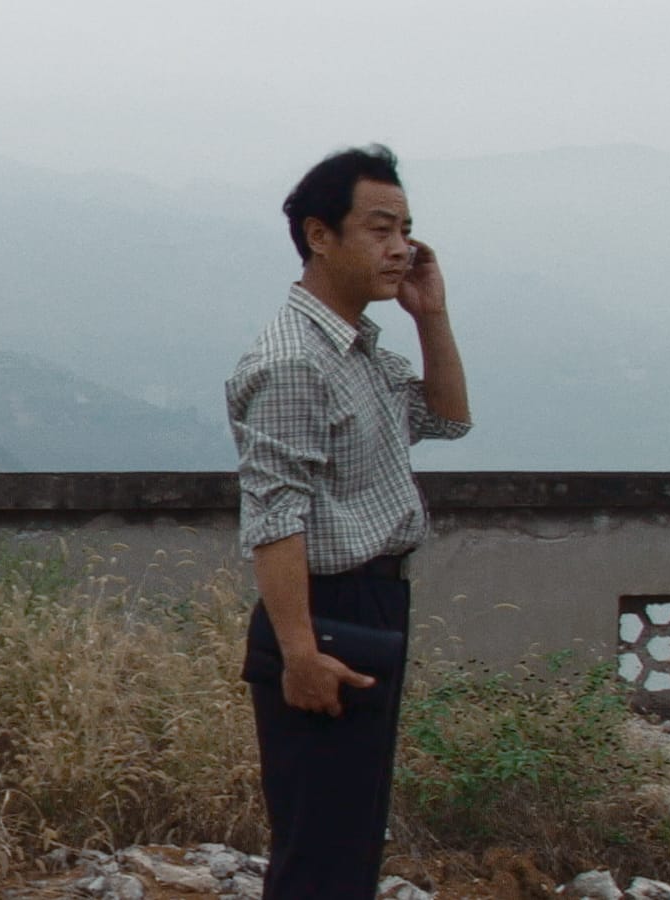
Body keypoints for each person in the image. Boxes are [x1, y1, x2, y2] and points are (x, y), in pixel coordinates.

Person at [225, 144, 471, 899]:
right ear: (318, 234)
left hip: (371, 603)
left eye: (406, 230)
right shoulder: (296, 359)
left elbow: (449, 420)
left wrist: (431, 315)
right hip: (325, 613)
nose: (399, 248)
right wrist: (300, 652)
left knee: (350, 839)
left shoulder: (357, 348)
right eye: (378, 229)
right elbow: (275, 513)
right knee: (320, 852)